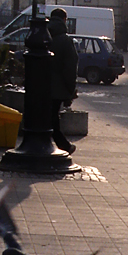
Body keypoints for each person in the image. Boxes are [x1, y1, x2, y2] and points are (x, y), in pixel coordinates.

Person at [46, 8, 79, 153]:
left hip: (40, 85)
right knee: (53, 117)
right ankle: (63, 145)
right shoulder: (65, 40)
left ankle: (60, 144)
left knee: (48, 116)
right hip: (57, 87)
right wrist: (70, 89)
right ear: (64, 20)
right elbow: (70, 68)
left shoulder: (44, 35)